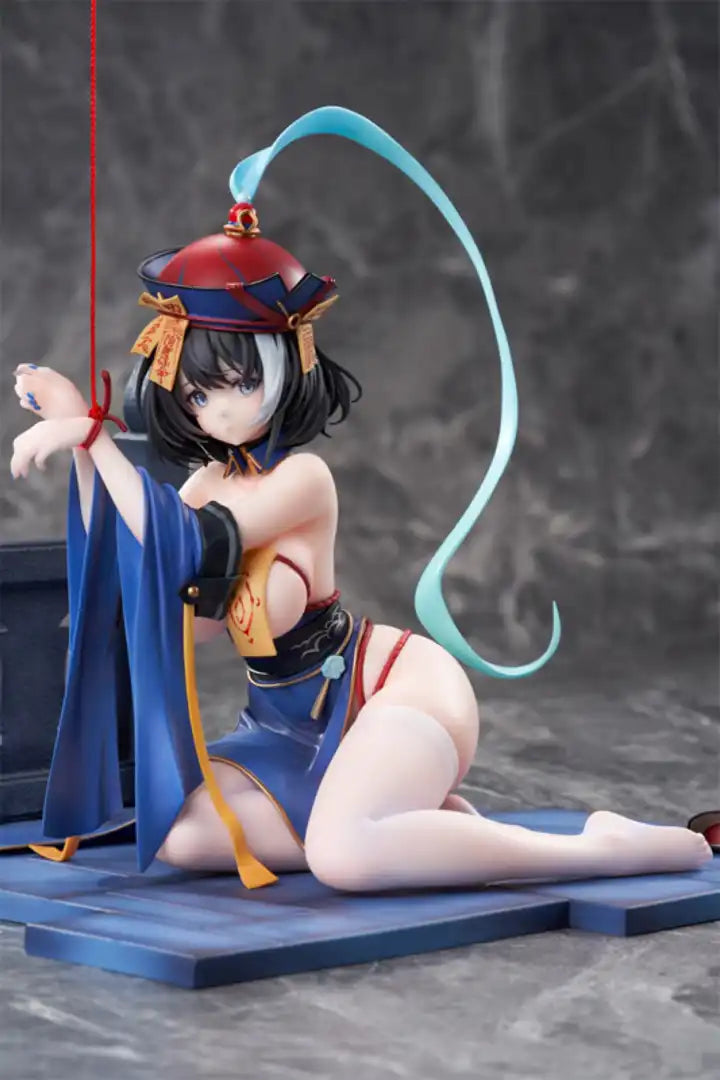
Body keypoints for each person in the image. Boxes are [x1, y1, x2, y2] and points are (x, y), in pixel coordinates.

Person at [9, 109, 711, 891]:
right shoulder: (205, 484)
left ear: (287, 368)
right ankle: (411, 825)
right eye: (200, 393)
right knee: (178, 836)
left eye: (241, 382)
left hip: (392, 693)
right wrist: (86, 459)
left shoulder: (302, 481)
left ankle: (605, 849)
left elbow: (189, 541)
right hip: (283, 728)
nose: (221, 409)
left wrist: (92, 440)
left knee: (343, 859)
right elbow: (165, 582)